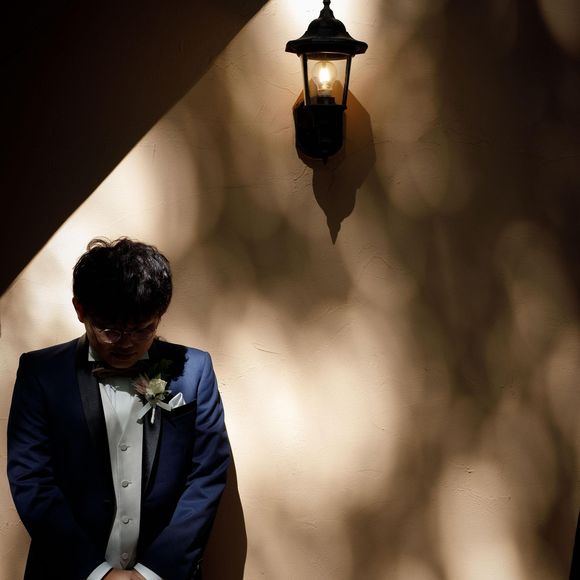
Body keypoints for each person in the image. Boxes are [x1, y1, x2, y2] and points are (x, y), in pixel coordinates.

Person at [7, 237, 231, 580]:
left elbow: (208, 473)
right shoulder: (41, 374)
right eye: (111, 329)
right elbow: (31, 478)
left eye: (143, 329)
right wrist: (97, 573)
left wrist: (153, 572)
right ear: (80, 310)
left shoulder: (195, 371)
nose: (127, 343)